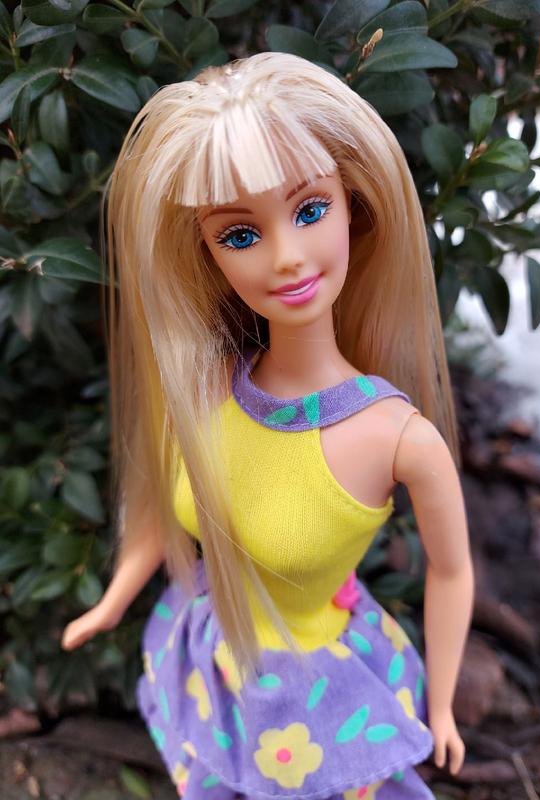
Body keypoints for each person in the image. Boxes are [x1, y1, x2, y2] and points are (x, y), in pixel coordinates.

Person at [62, 52, 474, 799]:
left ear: (355, 206)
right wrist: (114, 600)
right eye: (240, 235)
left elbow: (451, 571)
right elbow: (159, 508)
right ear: (207, 254)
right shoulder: (205, 388)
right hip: (212, 659)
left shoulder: (398, 438)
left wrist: (442, 705)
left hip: (314, 692)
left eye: (310, 211)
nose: (286, 258)